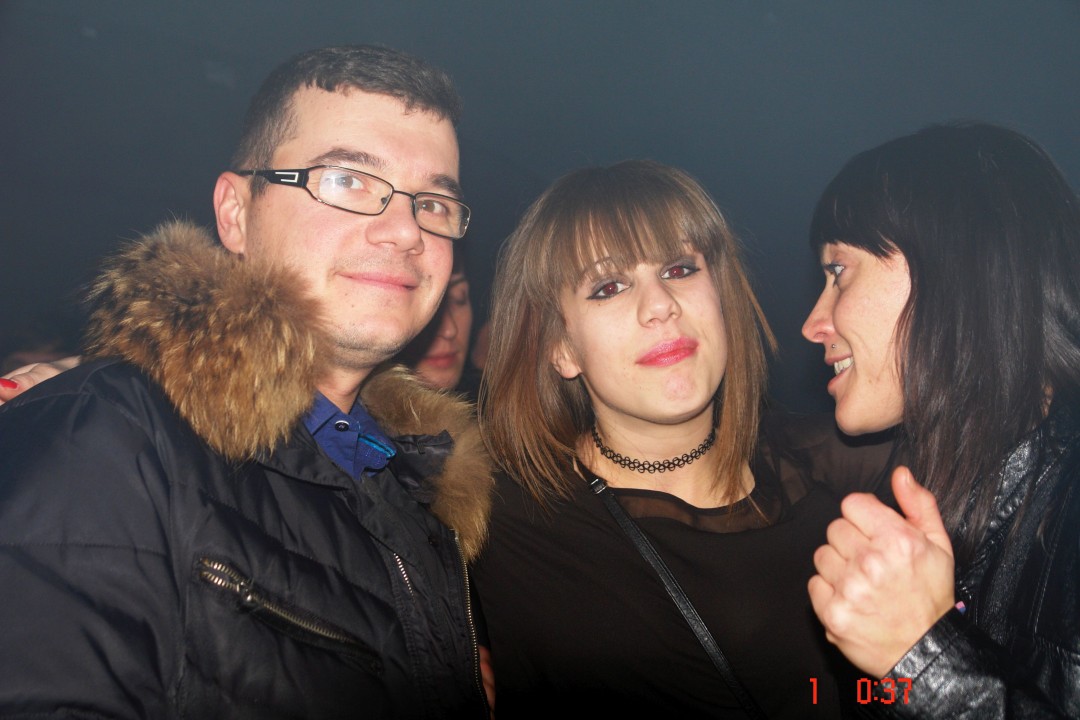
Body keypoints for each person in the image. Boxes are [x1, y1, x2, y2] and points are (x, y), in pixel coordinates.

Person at [0, 45, 494, 718]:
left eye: (434, 201)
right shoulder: (110, 437)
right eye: (348, 180)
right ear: (235, 212)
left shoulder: (422, 496)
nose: (406, 230)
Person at [470, 159, 892, 718]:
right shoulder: (491, 521)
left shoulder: (854, 478)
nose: (660, 305)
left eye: (679, 269)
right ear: (561, 349)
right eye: (609, 286)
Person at [801, 122, 1080, 717]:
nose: (813, 324)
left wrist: (923, 657)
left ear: (954, 267)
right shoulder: (938, 490)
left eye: (838, 272)